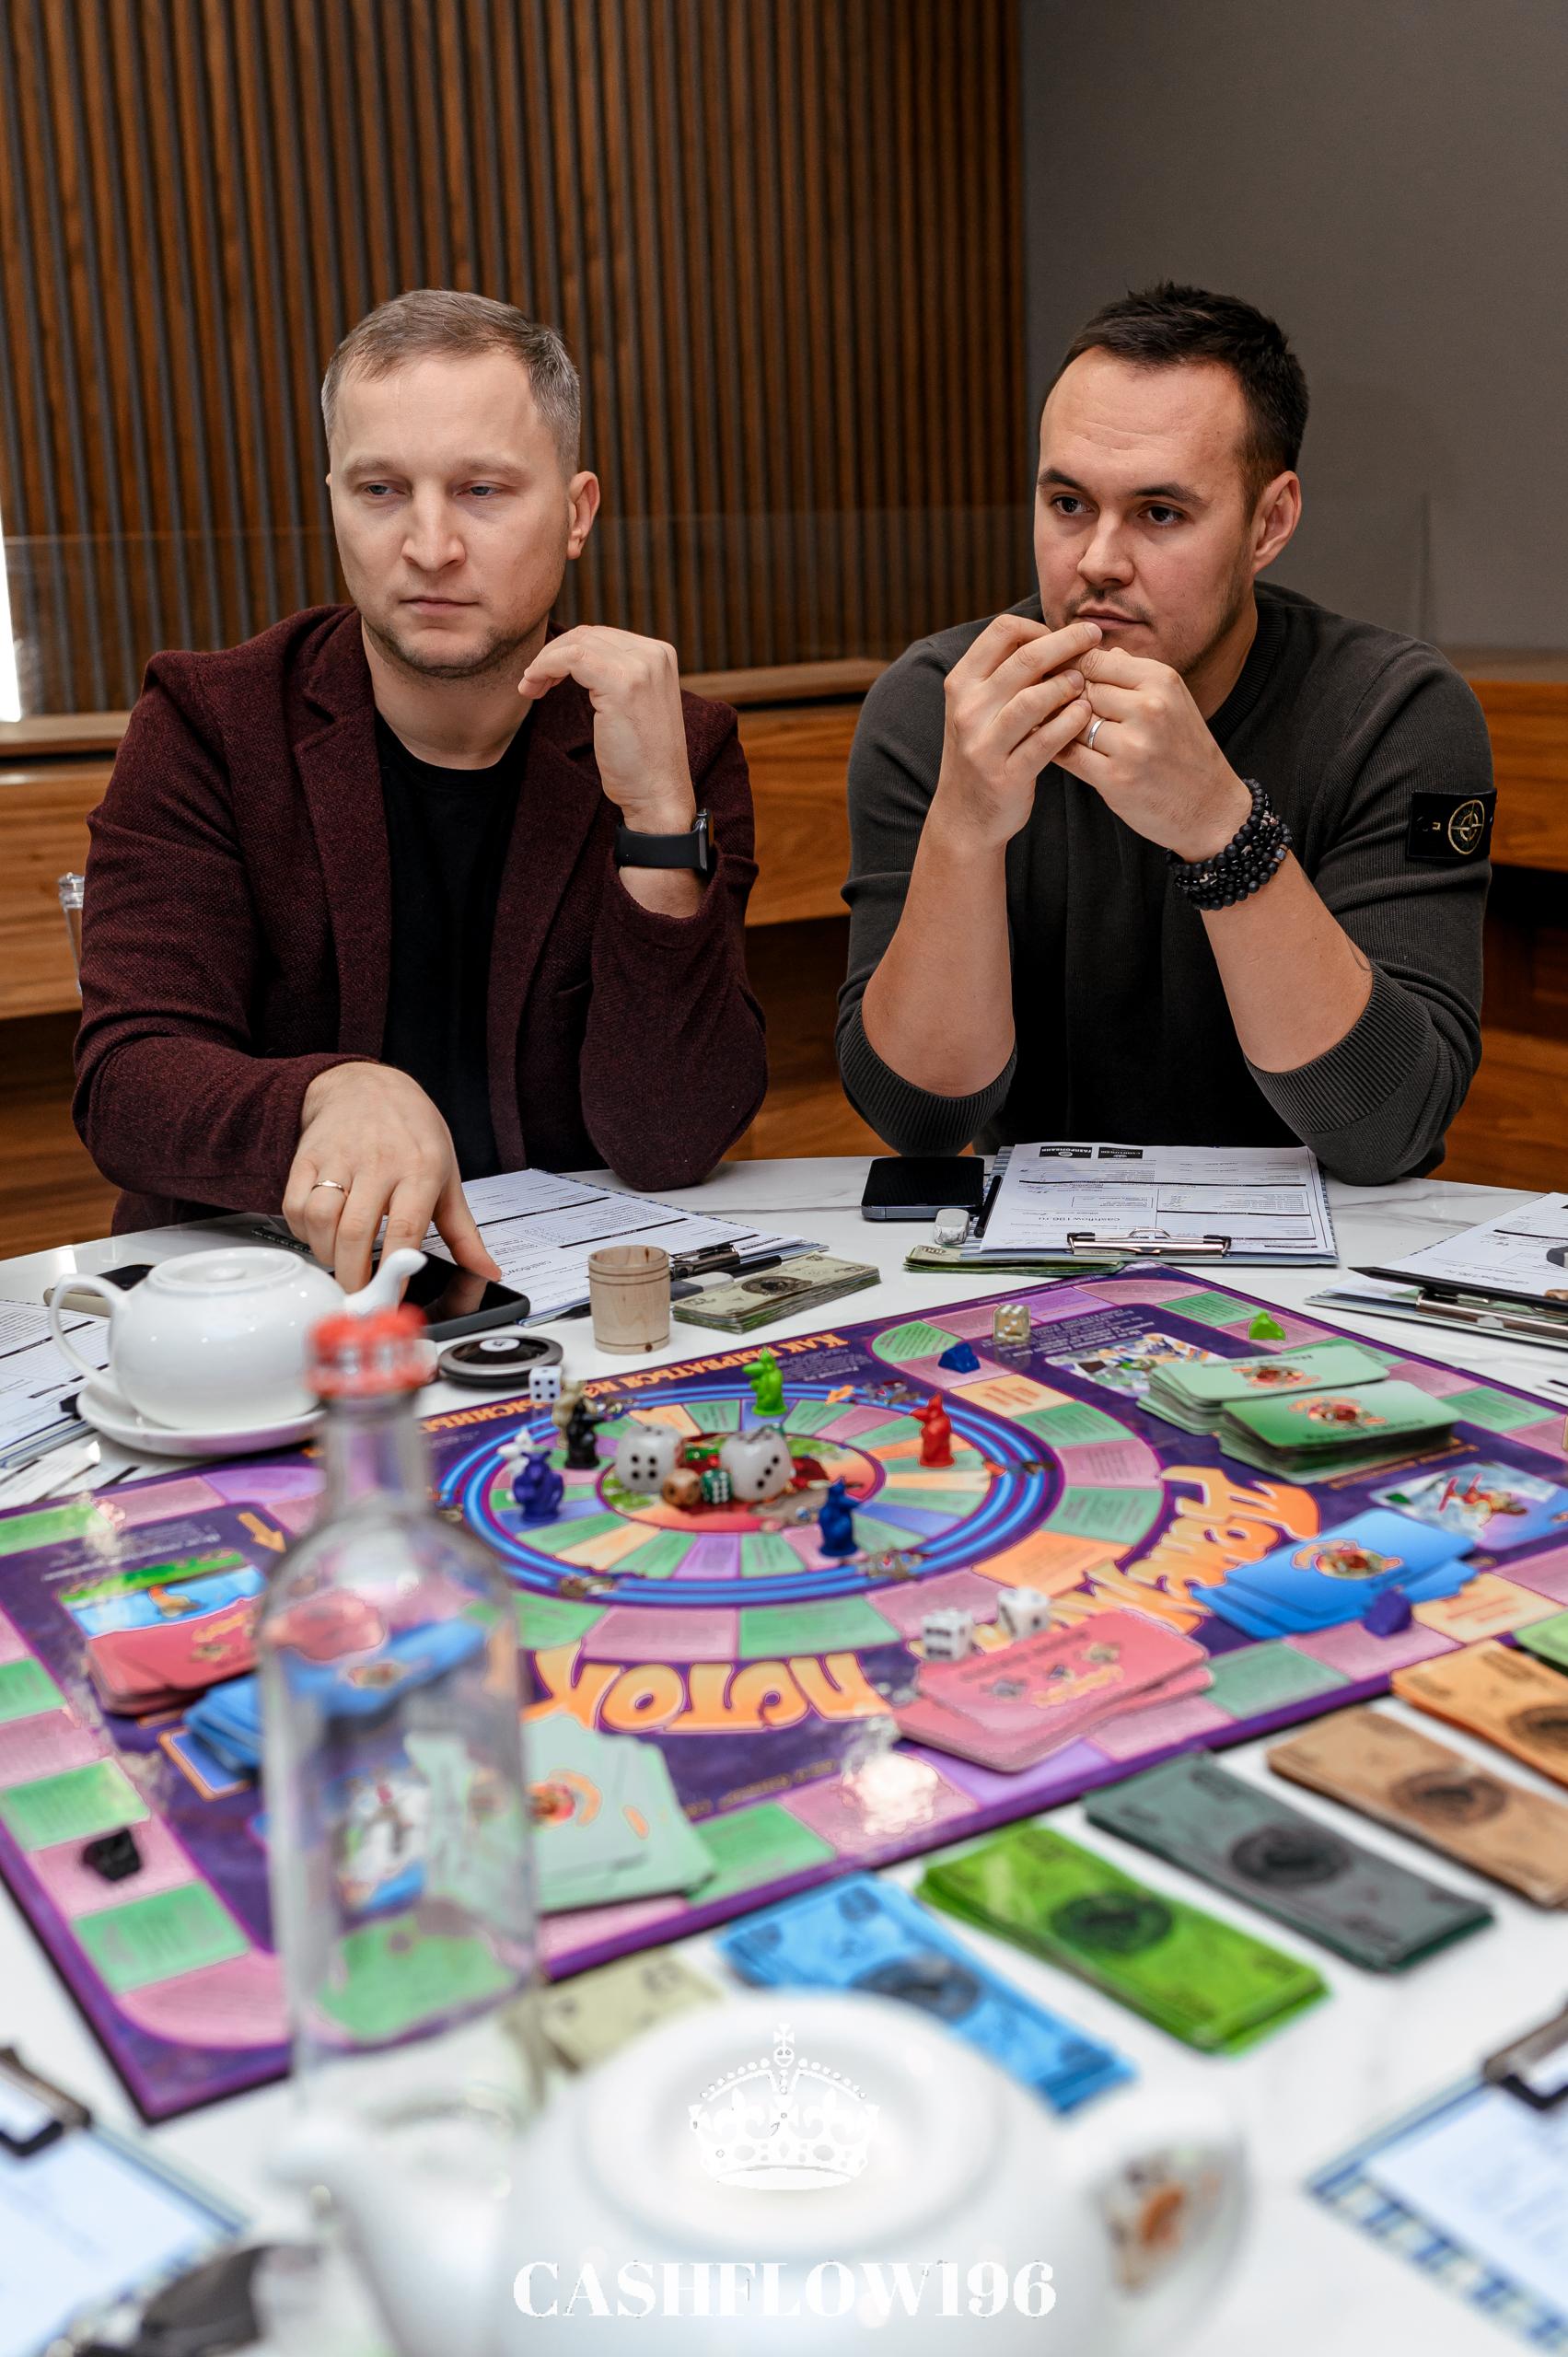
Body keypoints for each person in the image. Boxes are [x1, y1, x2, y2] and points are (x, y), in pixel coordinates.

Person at [75, 290, 766, 1285]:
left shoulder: (675, 742)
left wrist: (658, 821)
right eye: (381, 490)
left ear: (576, 513)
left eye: (482, 489)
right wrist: (328, 1094)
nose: (430, 545)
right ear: (334, 502)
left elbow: (672, 1138)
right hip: (261, 1299)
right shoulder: (211, 723)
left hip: (561, 1295)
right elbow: (127, 1083)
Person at [837, 284, 1493, 1185]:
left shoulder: (1395, 712)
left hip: (1337, 1239)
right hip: (1040, 1241)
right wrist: (964, 828)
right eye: (1067, 503)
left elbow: (1387, 1128)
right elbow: (916, 1120)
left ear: (1268, 523)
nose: (1097, 561)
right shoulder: (936, 704)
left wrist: (1221, 828)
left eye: (1159, 514)